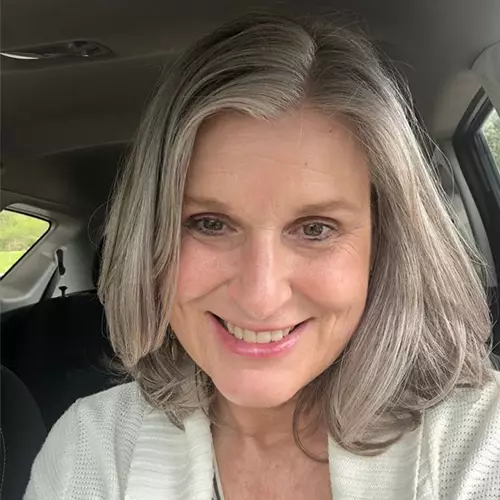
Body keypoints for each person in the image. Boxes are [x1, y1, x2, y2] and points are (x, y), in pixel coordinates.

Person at [25, 13, 500, 500]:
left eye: (316, 229)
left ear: (384, 245)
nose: (260, 296)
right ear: (151, 241)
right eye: (210, 224)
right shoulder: (89, 449)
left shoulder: (481, 442)